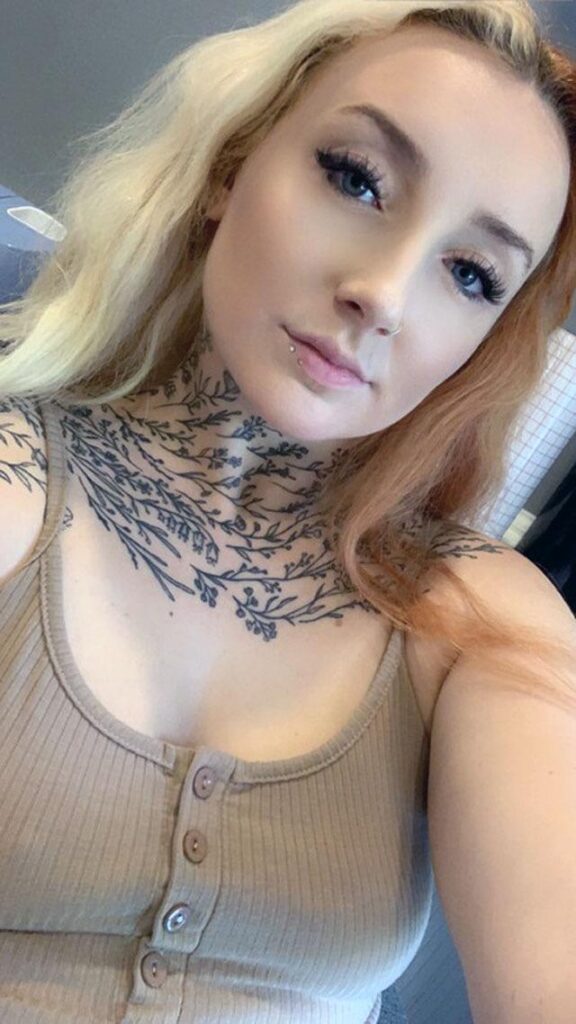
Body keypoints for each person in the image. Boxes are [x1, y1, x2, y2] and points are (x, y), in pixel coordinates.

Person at [0, 1, 575, 1021]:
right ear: (233, 163)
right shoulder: (18, 478)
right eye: (356, 178)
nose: (385, 293)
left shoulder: (483, 619)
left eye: (471, 274)